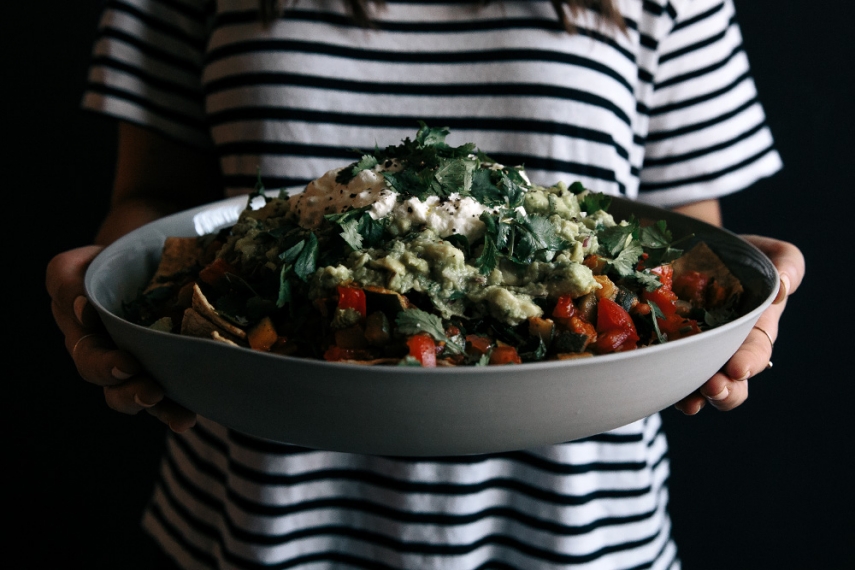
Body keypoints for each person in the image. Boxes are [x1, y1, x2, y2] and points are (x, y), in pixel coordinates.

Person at [48, 0, 805, 568]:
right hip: (259, 522)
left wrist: (734, 298)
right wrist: (108, 287)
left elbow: (684, 232)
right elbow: (151, 199)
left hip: (577, 530)